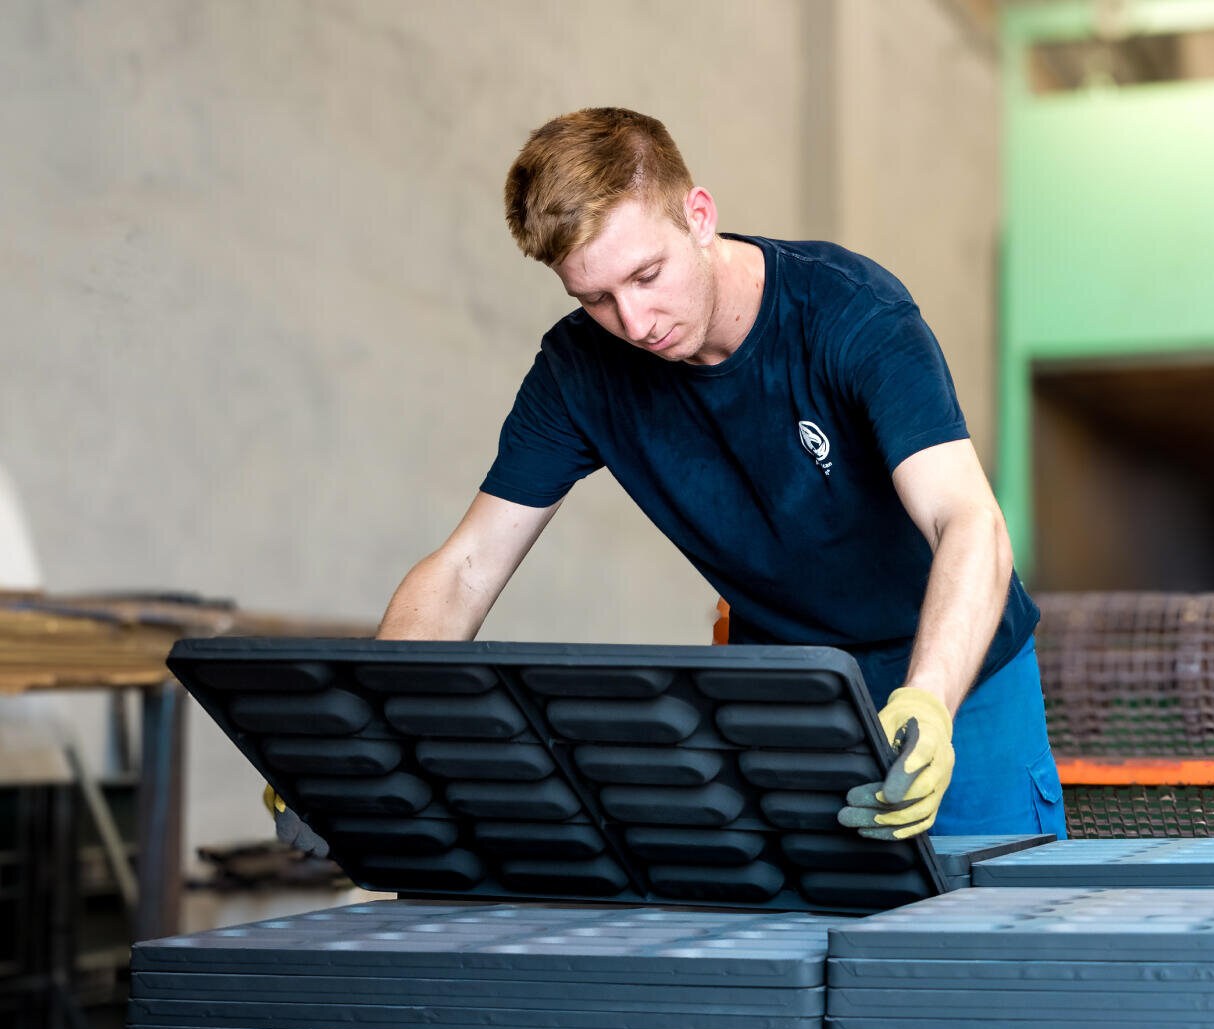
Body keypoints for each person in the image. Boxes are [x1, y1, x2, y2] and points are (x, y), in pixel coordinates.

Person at [276, 107, 1065, 846]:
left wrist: (930, 701)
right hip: (795, 698)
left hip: (963, 681)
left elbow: (967, 520)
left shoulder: (852, 316)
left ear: (698, 214)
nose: (636, 324)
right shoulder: (579, 372)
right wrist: (361, 730)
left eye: (648, 276)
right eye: (597, 299)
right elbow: (464, 568)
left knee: (1005, 956)